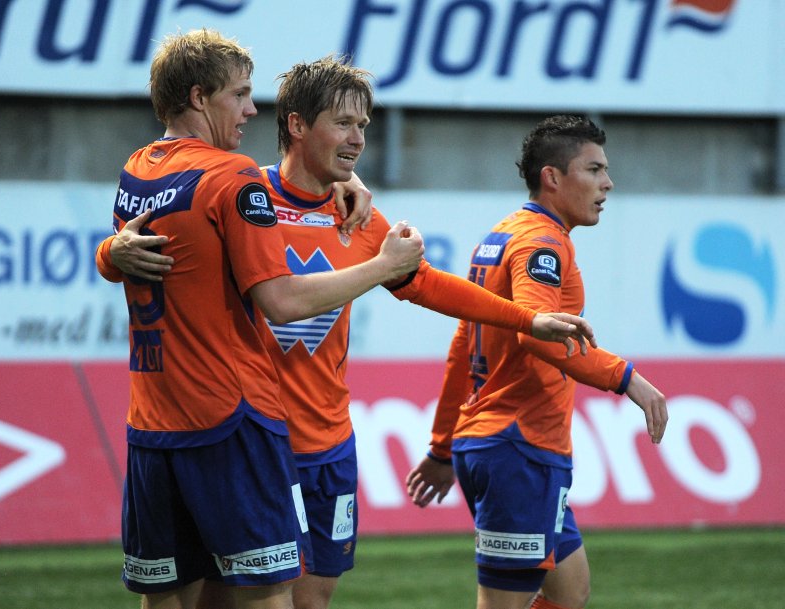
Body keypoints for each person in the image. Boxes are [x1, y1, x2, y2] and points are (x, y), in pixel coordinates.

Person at [99, 56, 598, 609]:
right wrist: (111, 251)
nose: (359, 138)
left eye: (363, 124)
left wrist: (527, 318)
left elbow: (428, 285)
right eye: (343, 124)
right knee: (234, 598)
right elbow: (177, 241)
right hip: (253, 440)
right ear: (296, 125)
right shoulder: (244, 195)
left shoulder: (358, 218)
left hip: (328, 444)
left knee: (311, 600)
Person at [96, 29, 426, 609]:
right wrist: (382, 266)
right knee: (270, 592)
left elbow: (126, 253)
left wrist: (106, 254)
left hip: (153, 419)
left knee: (167, 595)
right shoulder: (234, 175)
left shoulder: (138, 169)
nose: (251, 109)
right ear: (199, 97)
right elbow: (281, 301)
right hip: (231, 417)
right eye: (240, 94)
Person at [405, 115, 669, 609]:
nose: (608, 183)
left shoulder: (502, 234)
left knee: (569, 592)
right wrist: (627, 378)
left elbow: (464, 345)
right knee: (503, 603)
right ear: (552, 177)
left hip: (499, 443)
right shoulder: (541, 244)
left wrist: (443, 447)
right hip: (518, 448)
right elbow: (540, 335)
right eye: (594, 169)